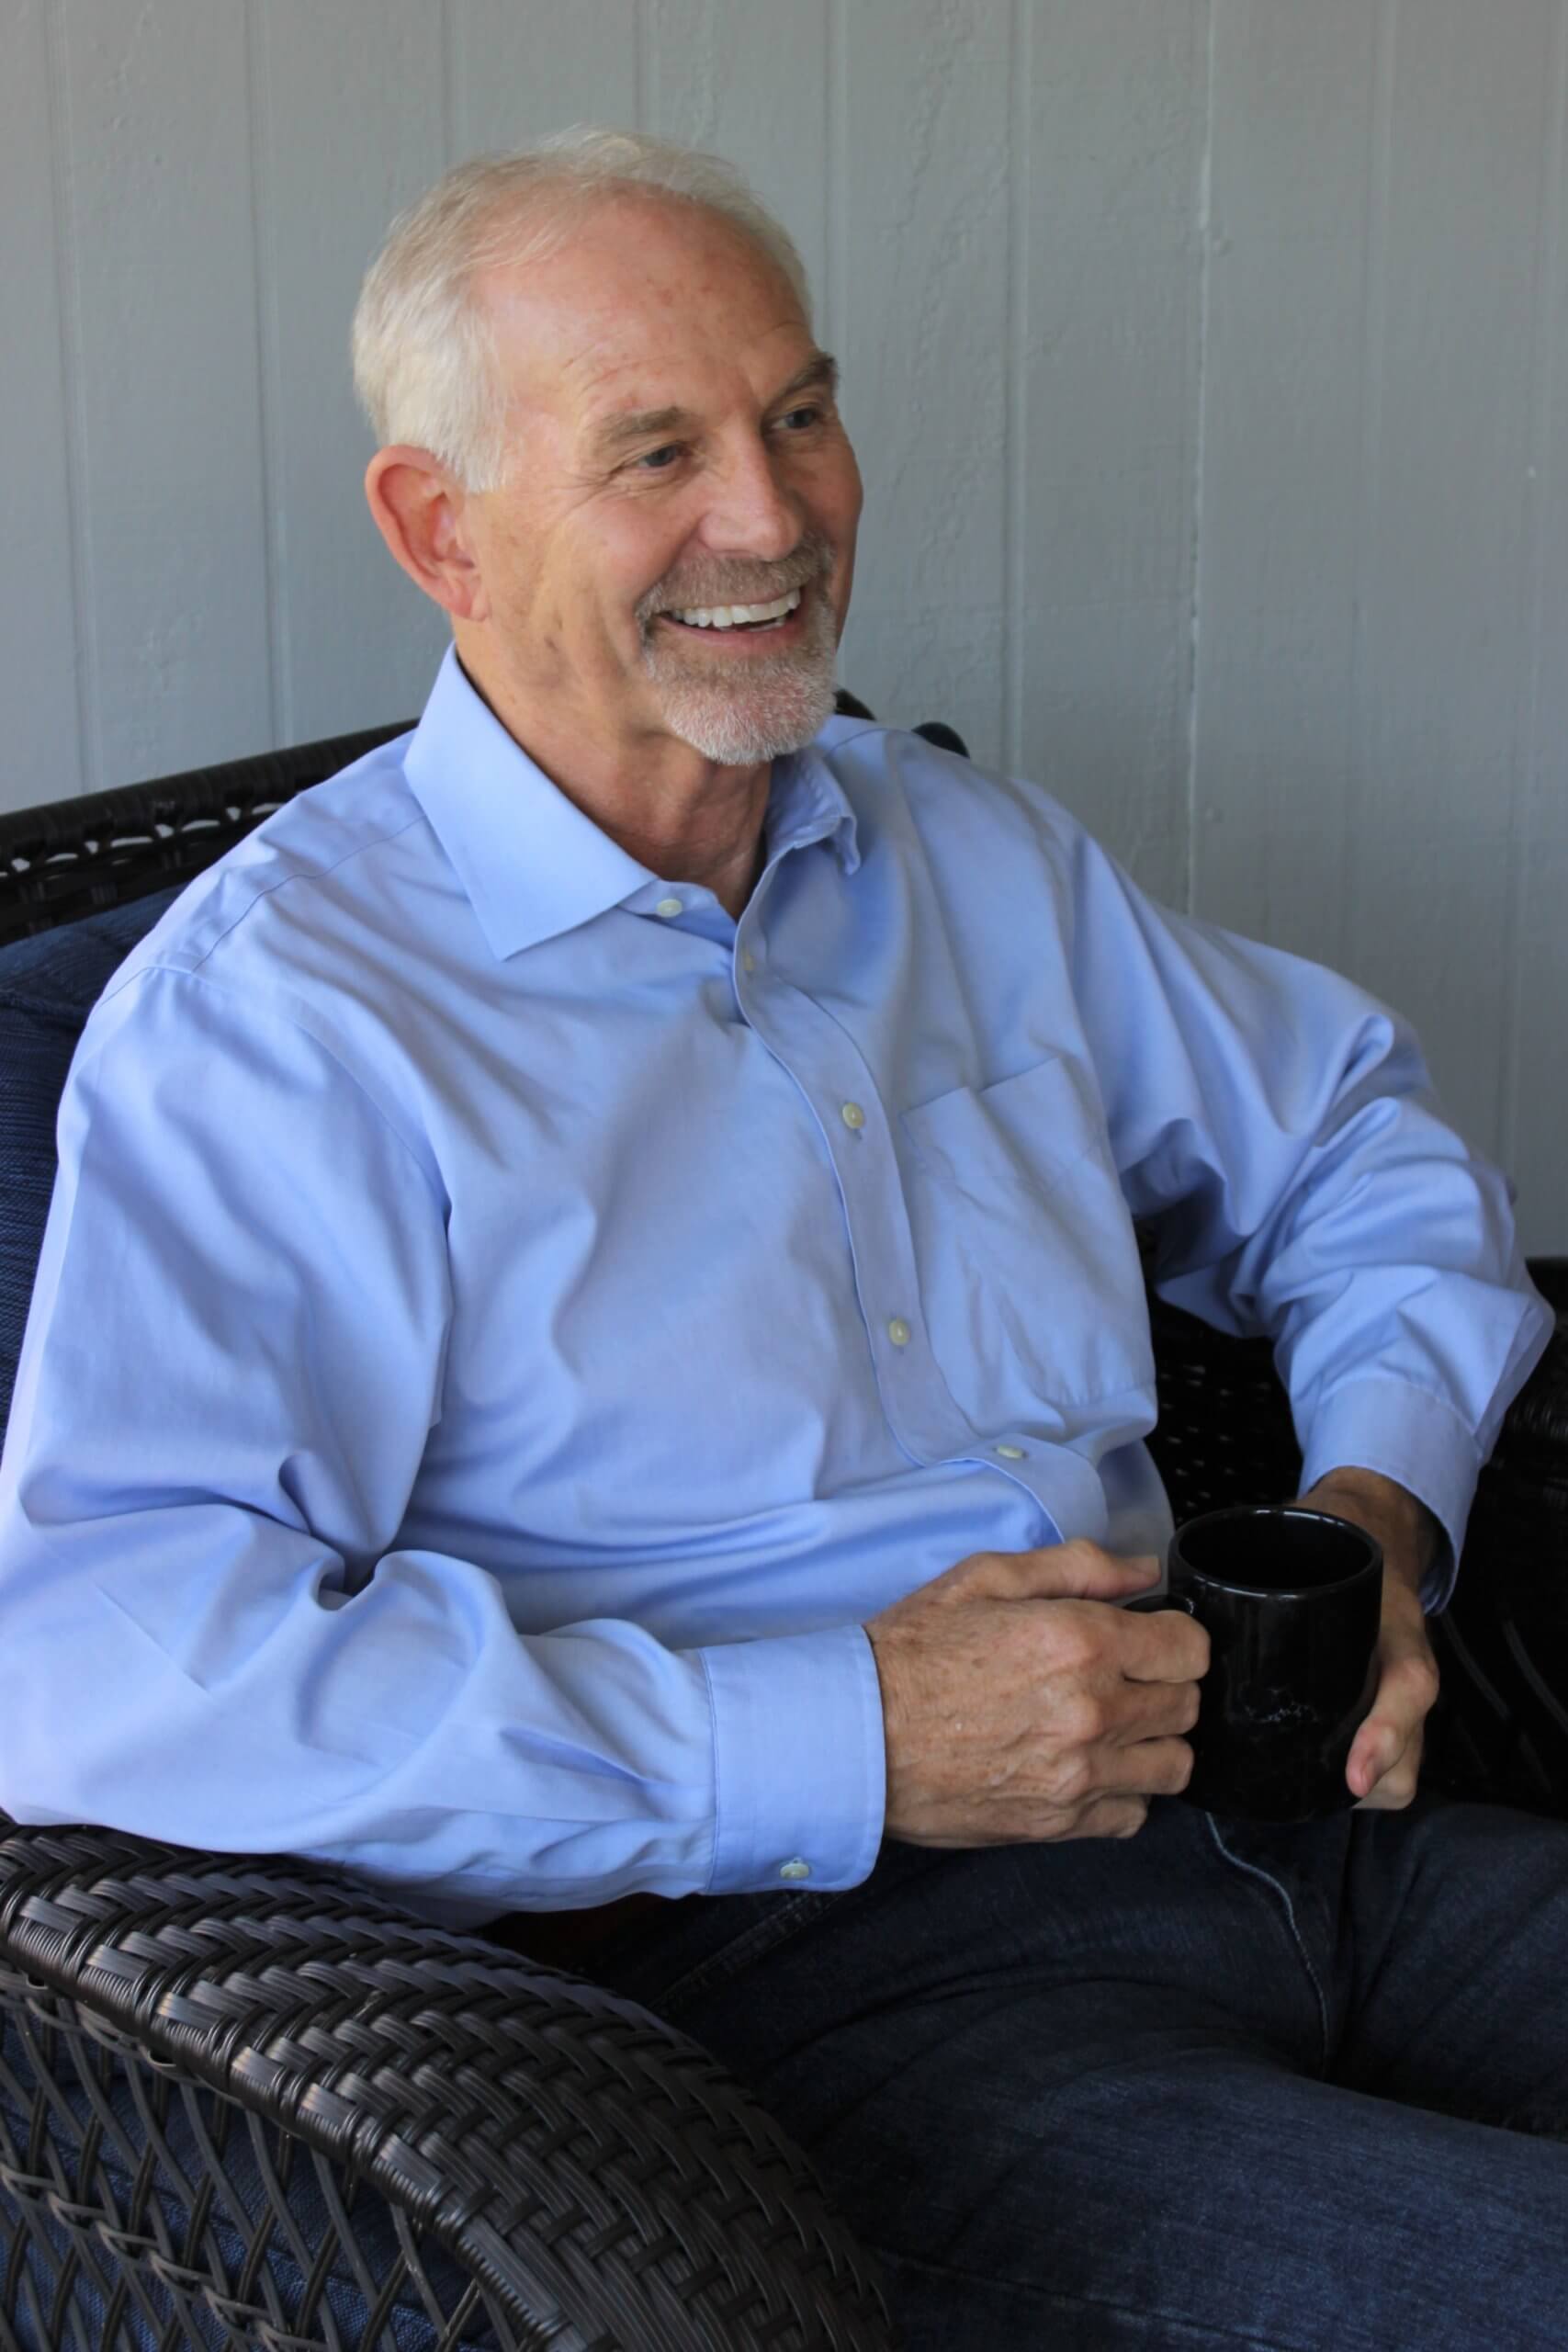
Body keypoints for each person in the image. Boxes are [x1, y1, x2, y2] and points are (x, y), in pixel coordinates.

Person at [0, 128, 1562, 2348]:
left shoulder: (960, 852)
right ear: (441, 529)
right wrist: (834, 1734)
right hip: (820, 1996)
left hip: (1274, 1808)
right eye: (657, 450)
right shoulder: (287, 1024)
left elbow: (1355, 1139)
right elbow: (109, 1671)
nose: (773, 517)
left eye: (798, 414)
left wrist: (1375, 1507)